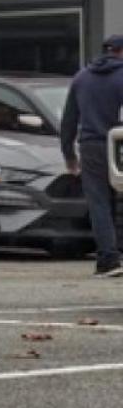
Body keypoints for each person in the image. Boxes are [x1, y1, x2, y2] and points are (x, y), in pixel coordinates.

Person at [61, 35, 123, 277]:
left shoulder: (81, 78)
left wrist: (69, 155)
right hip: (119, 143)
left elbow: (68, 122)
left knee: (99, 202)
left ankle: (107, 258)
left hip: (91, 146)